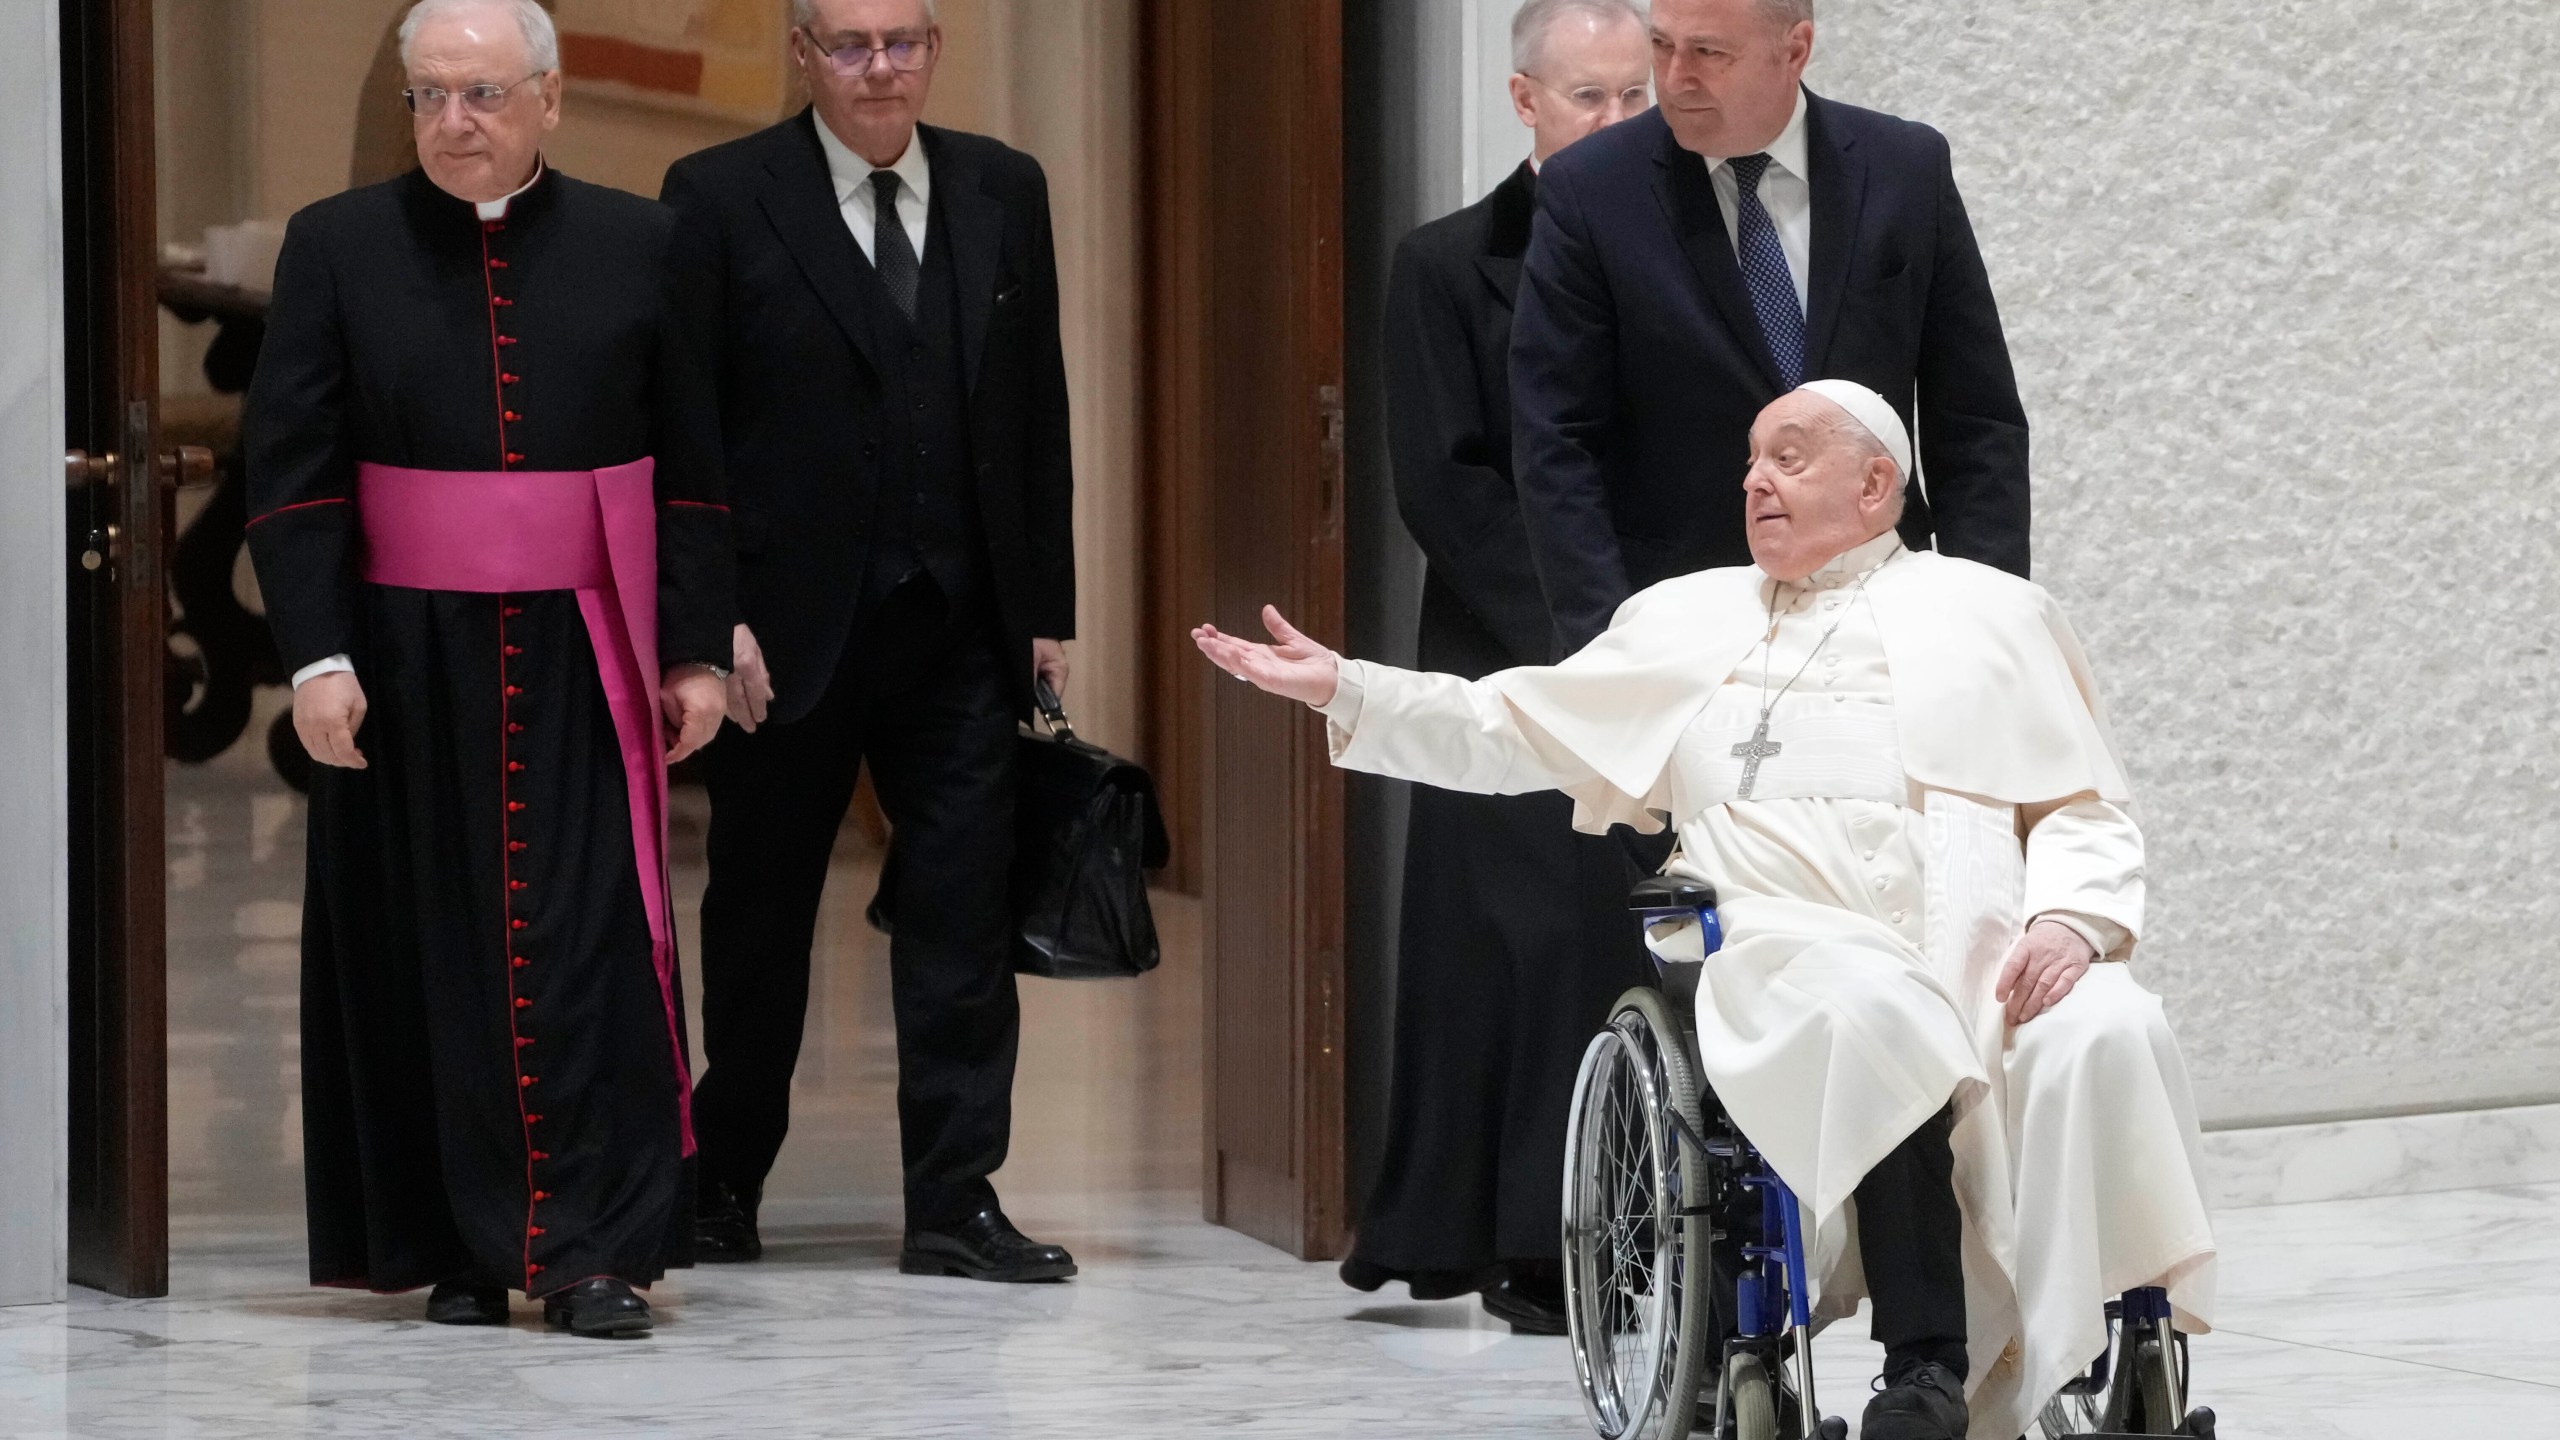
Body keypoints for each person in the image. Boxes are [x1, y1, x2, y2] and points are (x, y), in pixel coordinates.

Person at [1197, 383, 2216, 1440]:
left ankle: (2121, 1352)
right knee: (1880, 1014)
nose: (1753, 480)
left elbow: (2081, 807)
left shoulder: (1995, 613)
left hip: (1988, 945)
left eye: (1789, 457)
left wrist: (2071, 921)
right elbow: (1506, 725)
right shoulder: (1682, 621)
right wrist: (1345, 688)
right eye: (1750, 461)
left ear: (1877, 484)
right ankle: (1925, 1367)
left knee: (2109, 1025)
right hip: (1791, 949)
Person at [243, 0, 733, 1338]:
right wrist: (319, 656)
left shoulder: (643, 244)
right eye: (430, 95)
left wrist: (693, 648)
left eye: (483, 94)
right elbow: (292, 473)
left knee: (587, 942)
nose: (453, 122)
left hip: (585, 648)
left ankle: (590, 1250)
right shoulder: (335, 246)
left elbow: (693, 469)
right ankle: (458, 1242)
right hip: (403, 660)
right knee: (424, 946)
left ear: (550, 99)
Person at [659, 0, 1079, 1281]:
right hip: (781, 637)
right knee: (760, 919)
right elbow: (686, 423)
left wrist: (1045, 609)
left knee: (962, 918)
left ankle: (954, 1199)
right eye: (850, 44)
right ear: (803, 55)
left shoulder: (1004, 187)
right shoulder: (718, 195)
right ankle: (724, 1179)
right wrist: (707, 618)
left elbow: (1036, 406)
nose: (880, 67)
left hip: (960, 626)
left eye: (903, 42)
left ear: (935, 50)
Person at [1342, 0, 1656, 1336]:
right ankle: (1524, 1240)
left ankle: (1639, 1232)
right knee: (1517, 943)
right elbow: (1442, 485)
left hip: (1665, 652)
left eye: (1637, 95)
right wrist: (1589, 634)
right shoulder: (1444, 263)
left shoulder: (1697, 253)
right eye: (1589, 97)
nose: (1618, 121)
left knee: (1632, 938)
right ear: (1525, 101)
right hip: (1512, 651)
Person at [1512, 0, 2030, 654]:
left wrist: (1989, 628)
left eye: (1708, 53)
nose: (1674, 79)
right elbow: (1556, 441)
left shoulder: (1904, 168)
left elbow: (1976, 421)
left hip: (1885, 615)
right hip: (1673, 621)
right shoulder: (1591, 189)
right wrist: (1609, 648)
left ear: (1795, 49)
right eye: (1662, 46)